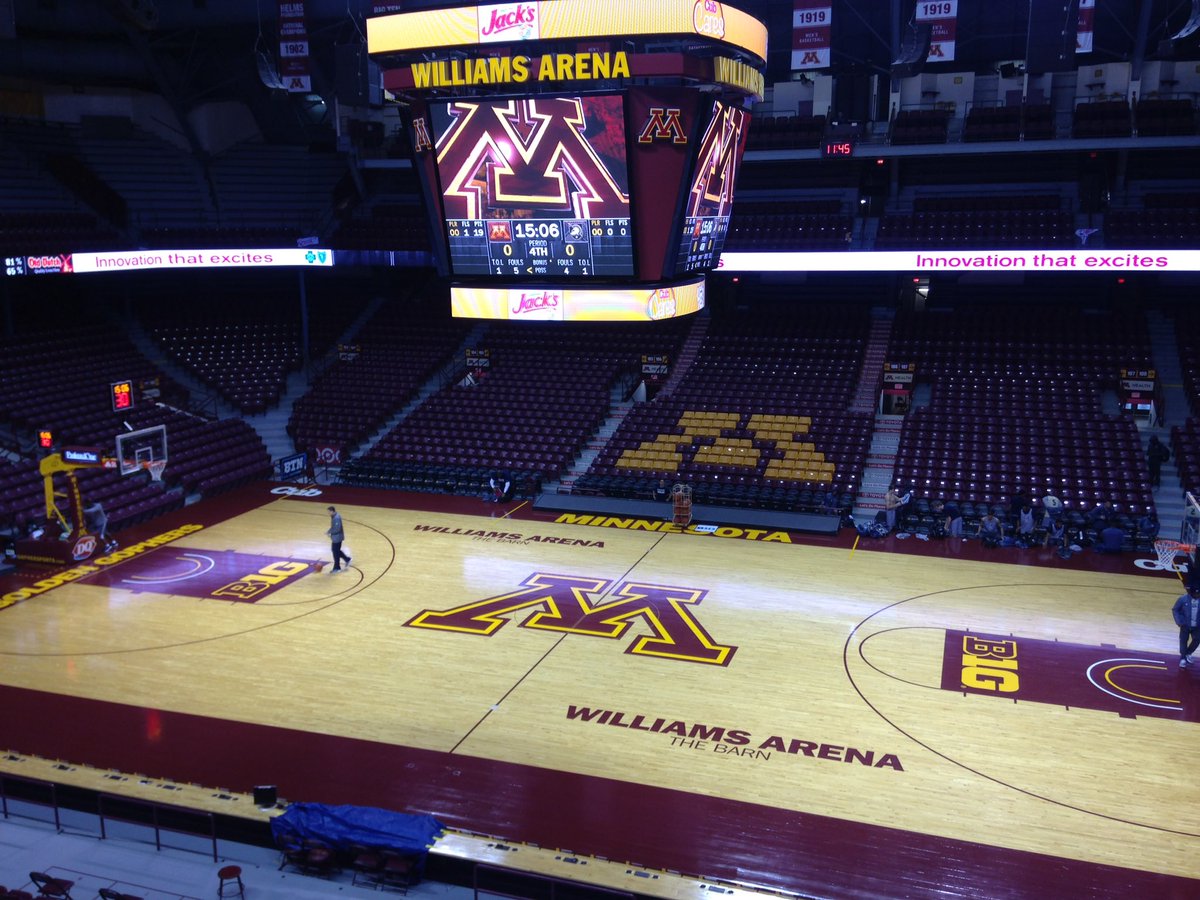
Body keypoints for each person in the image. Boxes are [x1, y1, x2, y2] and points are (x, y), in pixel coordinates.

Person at [1172, 586, 1200, 668]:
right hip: (1185, 625)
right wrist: (1179, 621)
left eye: (1199, 593)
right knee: (1183, 641)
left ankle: (1188, 653)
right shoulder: (1183, 599)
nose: (1198, 595)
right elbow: (1175, 609)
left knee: (1197, 639)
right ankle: (1183, 658)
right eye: (1196, 594)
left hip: (1197, 626)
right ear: (1191, 593)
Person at [326, 505, 352, 572]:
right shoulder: (334, 516)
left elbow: (337, 529)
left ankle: (337, 567)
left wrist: (330, 533)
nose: (328, 513)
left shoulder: (336, 518)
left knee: (335, 552)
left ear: (332, 511)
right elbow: (333, 527)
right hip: (336, 538)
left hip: (337, 538)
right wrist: (328, 531)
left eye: (329, 512)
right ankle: (347, 559)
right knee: (336, 551)